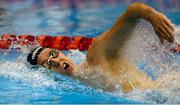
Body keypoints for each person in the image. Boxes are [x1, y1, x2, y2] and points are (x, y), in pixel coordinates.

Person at [27, 2, 175, 93]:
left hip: (169, 90)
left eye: (53, 54)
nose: (57, 61)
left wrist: (149, 14)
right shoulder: (83, 83)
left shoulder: (96, 55)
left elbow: (133, 11)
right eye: (49, 64)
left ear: (59, 51)